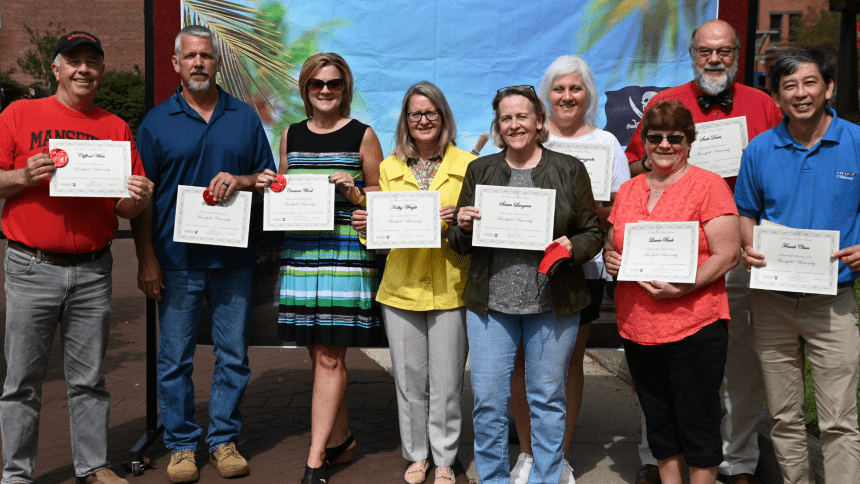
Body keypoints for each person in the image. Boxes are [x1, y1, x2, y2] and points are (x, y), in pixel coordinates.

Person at [624, 19, 782, 484]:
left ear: (737, 54)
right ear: (692, 54)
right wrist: (675, 163)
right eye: (705, 51)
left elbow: (778, 165)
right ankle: (655, 457)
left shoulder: (762, 104)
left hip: (734, 246)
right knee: (657, 370)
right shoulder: (665, 102)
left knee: (737, 363)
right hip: (664, 254)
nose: (715, 59)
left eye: (724, 51)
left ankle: (738, 459)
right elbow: (634, 163)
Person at [0, 31, 153, 484]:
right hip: (31, 267)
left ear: (101, 70)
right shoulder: (19, 114)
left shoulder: (115, 128)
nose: (83, 69)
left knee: (89, 379)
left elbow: (124, 207)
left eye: (92, 62)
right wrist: (21, 176)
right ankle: (15, 474)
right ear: (57, 68)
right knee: (21, 382)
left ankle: (93, 465)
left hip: (92, 270)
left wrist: (139, 199)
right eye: (74, 61)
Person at [134, 25, 275, 483]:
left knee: (233, 355)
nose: (199, 63)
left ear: (217, 62)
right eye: (191, 56)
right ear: (176, 63)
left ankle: (222, 440)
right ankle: (180, 445)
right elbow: (142, 198)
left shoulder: (244, 117)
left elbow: (268, 178)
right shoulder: (157, 122)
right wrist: (146, 258)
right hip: (177, 260)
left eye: (206, 56)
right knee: (175, 358)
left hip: (233, 259)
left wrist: (242, 179)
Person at [448, 85, 603, 484]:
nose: (514, 125)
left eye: (522, 116)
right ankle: (494, 479)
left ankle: (546, 478)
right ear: (497, 126)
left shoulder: (569, 169)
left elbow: (593, 232)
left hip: (552, 304)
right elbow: (459, 243)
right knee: (487, 401)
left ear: (538, 121)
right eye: (506, 118)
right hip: (490, 306)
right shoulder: (480, 170)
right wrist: (461, 226)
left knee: (547, 400)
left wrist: (572, 246)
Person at [255, 52, 386, 484]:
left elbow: (380, 197)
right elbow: (283, 188)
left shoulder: (363, 134)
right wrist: (268, 185)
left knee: (330, 356)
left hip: (344, 254)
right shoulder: (290, 135)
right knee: (317, 353)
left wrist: (354, 193)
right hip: (301, 252)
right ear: (306, 89)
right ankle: (342, 440)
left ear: (344, 89)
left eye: (334, 83)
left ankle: (315, 459)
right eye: (317, 83)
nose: (325, 90)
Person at [735, 48, 860, 483]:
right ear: (777, 96)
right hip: (772, 301)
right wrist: (749, 247)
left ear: (829, 88)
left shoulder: (856, 142)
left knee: (839, 419)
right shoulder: (759, 149)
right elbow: (746, 212)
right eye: (789, 86)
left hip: (833, 300)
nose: (801, 93)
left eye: (810, 83)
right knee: (784, 416)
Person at [507, 55, 630, 484]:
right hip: (523, 267)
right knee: (522, 362)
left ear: (588, 94)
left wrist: (589, 211)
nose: (566, 96)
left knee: (569, 362)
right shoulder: (526, 138)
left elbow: (620, 207)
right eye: (558, 89)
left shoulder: (607, 144)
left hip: (582, 269)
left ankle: (557, 456)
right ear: (546, 95)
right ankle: (528, 453)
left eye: (575, 88)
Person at [605, 99, 740, 484]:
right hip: (638, 327)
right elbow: (614, 240)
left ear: (689, 141)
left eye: (675, 137)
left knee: (698, 421)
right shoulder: (629, 189)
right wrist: (610, 255)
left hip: (694, 325)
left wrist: (685, 285)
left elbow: (728, 253)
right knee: (659, 421)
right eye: (655, 137)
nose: (664, 144)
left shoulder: (708, 185)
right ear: (645, 142)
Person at [350, 81, 474, 484]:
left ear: (443, 116)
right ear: (405, 120)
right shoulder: (388, 168)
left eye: (430, 112)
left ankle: (445, 459)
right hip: (401, 289)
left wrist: (464, 221)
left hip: (451, 287)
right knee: (408, 380)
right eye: (415, 114)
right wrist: (366, 227)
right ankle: (417, 455)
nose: (423, 120)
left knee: (447, 383)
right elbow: (381, 234)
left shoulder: (469, 165)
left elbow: (480, 226)